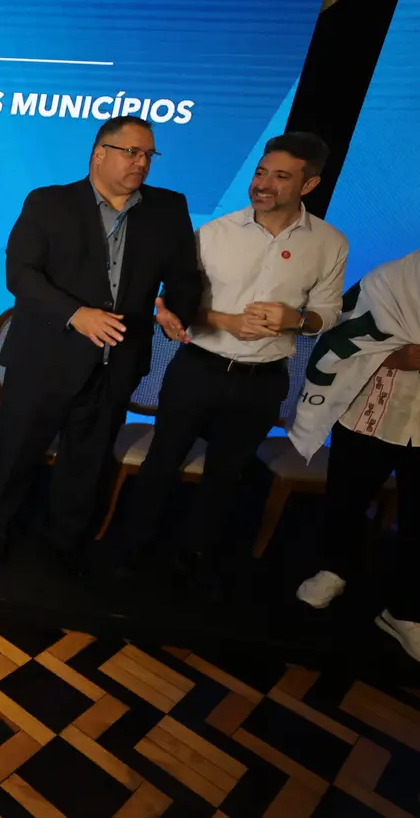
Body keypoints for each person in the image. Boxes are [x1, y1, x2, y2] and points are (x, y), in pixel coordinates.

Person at [113, 133, 347, 595]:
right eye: (261, 172)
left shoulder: (329, 243)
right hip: (198, 368)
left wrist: (296, 319)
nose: (263, 184)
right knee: (163, 461)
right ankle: (130, 552)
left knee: (226, 474)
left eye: (281, 177)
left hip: (263, 380)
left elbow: (327, 313)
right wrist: (225, 321)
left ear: (309, 184)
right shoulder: (213, 233)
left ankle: (193, 559)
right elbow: (178, 303)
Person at [0, 116, 202, 567]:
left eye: (148, 155)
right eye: (132, 152)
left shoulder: (168, 208)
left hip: (116, 362)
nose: (142, 163)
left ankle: (63, 546)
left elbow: (184, 278)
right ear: (99, 153)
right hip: (44, 358)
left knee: (87, 463)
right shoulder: (48, 202)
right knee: (15, 453)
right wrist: (75, 314)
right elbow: (20, 274)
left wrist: (175, 309)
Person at [291, 248, 420, 664]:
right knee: (347, 499)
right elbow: (342, 336)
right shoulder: (390, 279)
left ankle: (405, 611)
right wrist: (397, 356)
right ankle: (335, 569)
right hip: (372, 410)